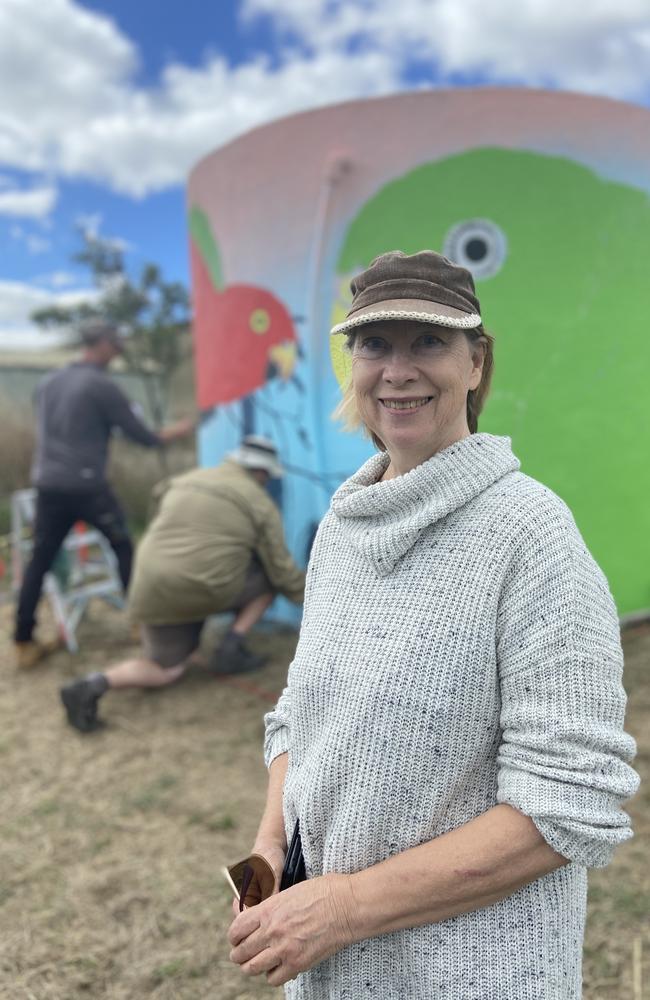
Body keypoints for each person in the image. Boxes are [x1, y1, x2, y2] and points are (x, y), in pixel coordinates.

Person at [227, 251, 639, 998]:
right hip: (330, 966)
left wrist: (344, 907)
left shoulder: (531, 534)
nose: (398, 370)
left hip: (472, 974)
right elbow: (301, 714)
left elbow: (569, 800)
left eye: (429, 342)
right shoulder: (341, 528)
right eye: (374, 345)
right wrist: (270, 845)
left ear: (476, 363)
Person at [60, 435, 305, 733]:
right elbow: (281, 570)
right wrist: (315, 600)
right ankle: (231, 647)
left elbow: (156, 517)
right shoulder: (259, 502)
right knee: (266, 579)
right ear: (261, 473)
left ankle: (93, 684)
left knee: (164, 669)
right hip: (206, 588)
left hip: (150, 586)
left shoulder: (183, 481)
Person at [14, 319, 194, 669]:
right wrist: (181, 430)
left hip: (47, 484)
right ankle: (140, 624)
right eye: (116, 344)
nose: (119, 350)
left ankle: (23, 640)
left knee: (40, 560)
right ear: (102, 344)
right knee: (124, 547)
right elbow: (142, 436)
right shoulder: (101, 386)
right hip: (86, 486)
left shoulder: (49, 382)